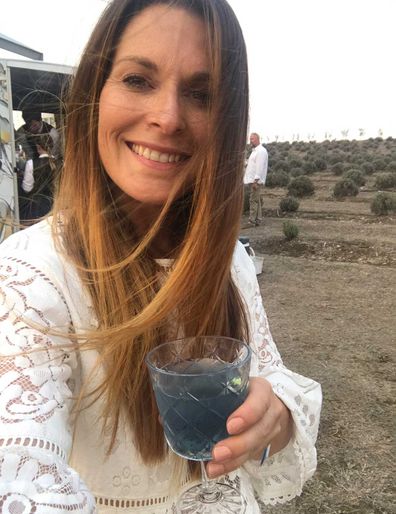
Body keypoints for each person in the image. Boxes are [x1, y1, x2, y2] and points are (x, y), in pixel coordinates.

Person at [0, 1, 322, 512]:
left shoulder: (229, 260)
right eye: (138, 80)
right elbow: (20, 461)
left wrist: (277, 416)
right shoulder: (28, 275)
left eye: (201, 93)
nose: (168, 117)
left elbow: (269, 370)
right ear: (92, 95)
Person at [19, 133, 56, 223]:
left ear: (38, 147)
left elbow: (27, 189)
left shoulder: (31, 163)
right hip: (57, 205)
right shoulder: (62, 162)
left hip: (39, 207)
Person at [244, 132, 268, 226]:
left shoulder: (261, 151)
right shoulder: (255, 151)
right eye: (250, 139)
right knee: (256, 200)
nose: (251, 141)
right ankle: (258, 220)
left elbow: (260, 167)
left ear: (258, 139)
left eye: (252, 139)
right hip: (252, 180)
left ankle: (251, 221)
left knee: (253, 200)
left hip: (255, 181)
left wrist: (256, 180)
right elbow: (252, 165)